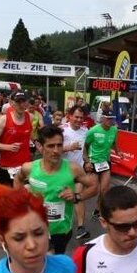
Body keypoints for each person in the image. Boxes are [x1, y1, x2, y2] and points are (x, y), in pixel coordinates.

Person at [15, 126, 98, 255]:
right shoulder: (29, 168)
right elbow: (18, 178)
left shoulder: (73, 169)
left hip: (61, 230)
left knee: (55, 263)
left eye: (59, 145)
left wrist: (77, 196)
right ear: (39, 146)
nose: (56, 150)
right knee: (42, 262)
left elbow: (94, 187)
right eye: (50, 146)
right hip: (35, 227)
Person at [0, 91, 33, 185]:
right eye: (18, 102)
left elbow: (30, 137)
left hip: (24, 166)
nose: (21, 105)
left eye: (24, 101)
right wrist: (8, 147)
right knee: (8, 198)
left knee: (23, 197)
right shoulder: (4, 119)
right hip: (7, 167)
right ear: (11, 103)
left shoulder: (30, 117)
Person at [83, 109, 118, 220]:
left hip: (105, 163)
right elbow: (85, 147)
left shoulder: (114, 130)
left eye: (112, 118)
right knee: (94, 190)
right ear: (102, 118)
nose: (110, 121)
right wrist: (87, 161)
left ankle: (97, 211)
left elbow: (114, 143)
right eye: (108, 118)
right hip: (93, 163)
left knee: (104, 190)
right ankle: (77, 199)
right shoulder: (93, 131)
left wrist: (118, 151)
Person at [62, 106, 91, 240]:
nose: (79, 120)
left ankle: (81, 227)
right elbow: (52, 148)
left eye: (81, 117)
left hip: (78, 171)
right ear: (70, 116)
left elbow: (83, 149)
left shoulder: (85, 131)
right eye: (76, 117)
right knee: (62, 200)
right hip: (62, 171)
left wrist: (87, 161)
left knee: (79, 198)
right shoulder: (63, 130)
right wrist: (68, 147)